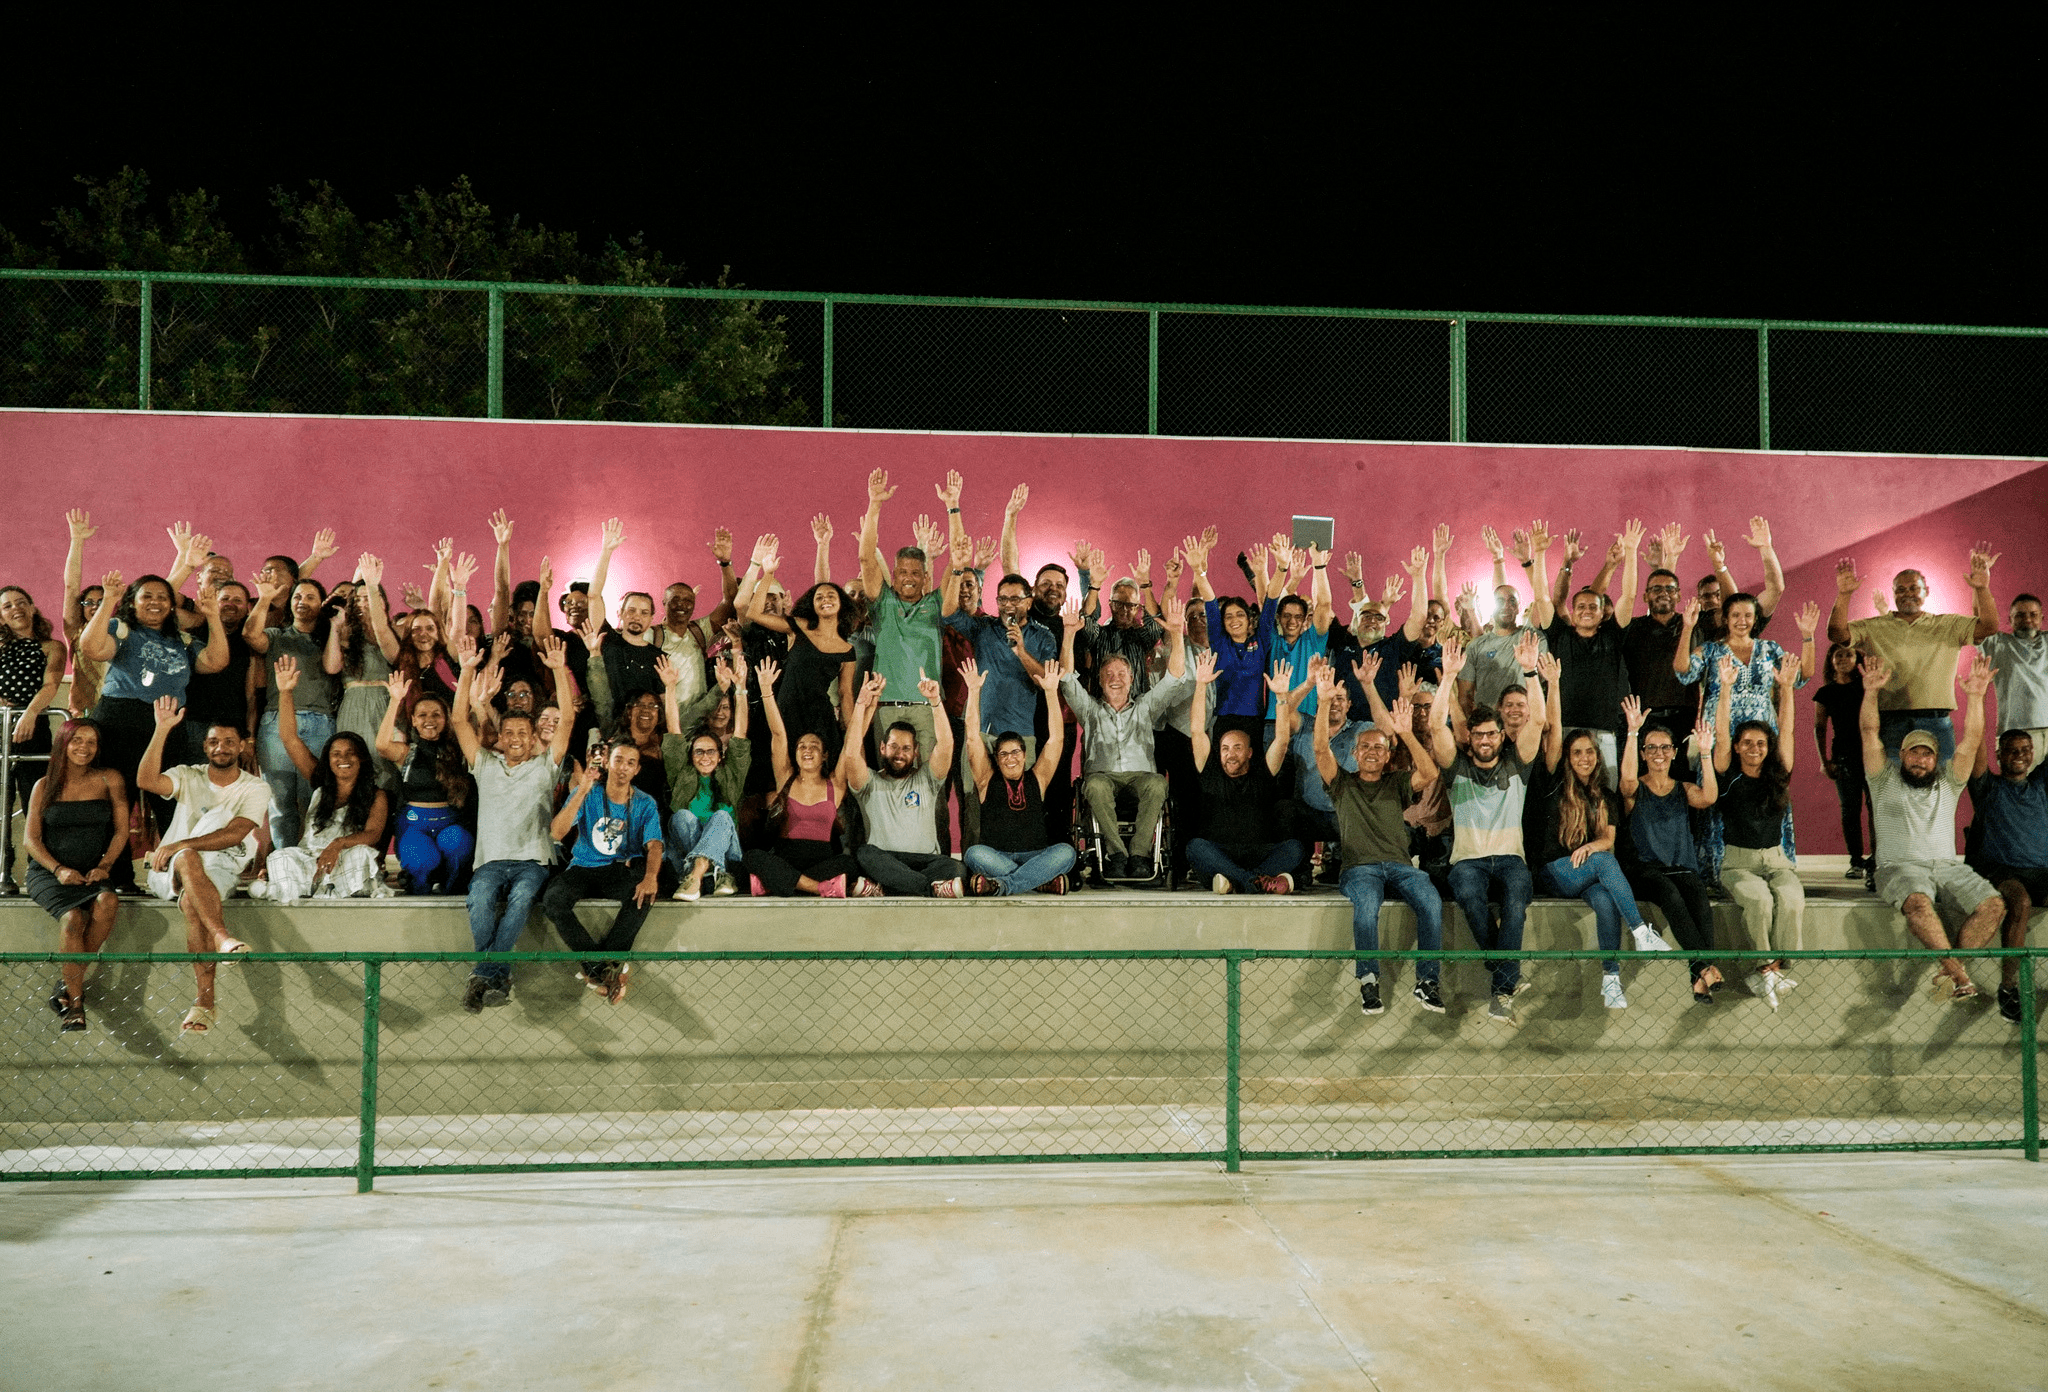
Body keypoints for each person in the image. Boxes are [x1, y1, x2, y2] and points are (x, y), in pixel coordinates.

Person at [1858, 654, 2005, 1002]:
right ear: (1902, 755)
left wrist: (1974, 697)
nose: (1920, 759)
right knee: (1919, 904)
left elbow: (1971, 739)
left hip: (1948, 868)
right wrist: (1870, 693)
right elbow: (1868, 731)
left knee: (1994, 905)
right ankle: (1959, 974)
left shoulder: (1948, 782)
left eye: (1927, 754)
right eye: (1913, 753)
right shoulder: (1882, 778)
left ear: (1935, 758)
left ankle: (1950, 970)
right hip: (1899, 868)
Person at [1530, 664, 1675, 1011]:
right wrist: (1553, 684)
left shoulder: (1605, 795)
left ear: (1597, 757)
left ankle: (1611, 981)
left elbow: (1607, 838)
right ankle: (1641, 933)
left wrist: (1592, 846)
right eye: (1577, 752)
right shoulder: (1554, 786)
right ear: (1568, 757)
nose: (1584, 758)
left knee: (1606, 900)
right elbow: (1551, 734)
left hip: (1588, 871)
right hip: (1554, 872)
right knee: (1603, 861)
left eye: (1590, 752)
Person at [446, 632, 577, 1009]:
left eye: (523, 732)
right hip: (490, 861)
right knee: (480, 899)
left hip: (532, 861)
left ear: (533, 735)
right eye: (509, 733)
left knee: (520, 901)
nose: (516, 738)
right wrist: (468, 671)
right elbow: (459, 718)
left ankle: (483, 975)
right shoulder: (484, 764)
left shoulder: (544, 767)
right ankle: (495, 978)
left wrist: (558, 671)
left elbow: (567, 719)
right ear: (500, 737)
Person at [1429, 631, 1548, 1023]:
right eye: (1478, 734)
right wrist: (1448, 679)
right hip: (1468, 861)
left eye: (1491, 733)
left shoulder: (1518, 764)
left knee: (1516, 904)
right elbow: (1434, 729)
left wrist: (1531, 671)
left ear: (1501, 735)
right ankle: (1505, 980)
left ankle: (1501, 984)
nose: (1484, 740)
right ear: (1470, 737)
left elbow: (1540, 719)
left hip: (1511, 858)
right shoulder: (1456, 768)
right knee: (1468, 896)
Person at [133, 697, 267, 1035]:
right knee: (189, 859)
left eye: (228, 742)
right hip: (169, 870)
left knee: (195, 900)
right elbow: (146, 781)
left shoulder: (256, 787)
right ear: (204, 746)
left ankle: (204, 1002)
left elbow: (236, 833)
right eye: (213, 742)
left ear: (242, 746)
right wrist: (162, 729)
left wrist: (180, 843)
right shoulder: (187, 775)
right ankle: (222, 937)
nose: (220, 748)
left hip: (219, 867)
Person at [1312, 673, 1445, 1015]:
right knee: (1366, 909)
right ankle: (1369, 981)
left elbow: (1429, 773)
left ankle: (1427, 981)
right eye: (1366, 747)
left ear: (1387, 756)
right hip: (1360, 870)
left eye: (1379, 748)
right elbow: (1319, 749)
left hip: (1401, 868)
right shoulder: (1342, 784)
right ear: (1354, 753)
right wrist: (1324, 700)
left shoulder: (1397, 782)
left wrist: (1404, 734)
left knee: (1431, 901)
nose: (1372, 752)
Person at [77, 569, 229, 840]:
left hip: (169, 724)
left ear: (172, 606)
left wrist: (213, 617)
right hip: (120, 721)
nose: (155, 602)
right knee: (118, 800)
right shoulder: (121, 629)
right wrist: (107, 602)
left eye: (162, 597)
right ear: (132, 602)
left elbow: (216, 662)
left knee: (170, 800)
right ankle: (117, 877)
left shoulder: (182, 640)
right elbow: (93, 648)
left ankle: (172, 872)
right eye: (146, 596)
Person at [1059, 594, 1192, 881]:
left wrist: (1177, 634)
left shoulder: (1144, 707)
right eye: (1109, 673)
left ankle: (1139, 854)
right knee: (1093, 785)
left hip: (1140, 778)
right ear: (1100, 679)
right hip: (1103, 777)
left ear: (1132, 679)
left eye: (1122, 672)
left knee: (1158, 784)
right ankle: (1116, 853)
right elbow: (1067, 679)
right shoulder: (1091, 710)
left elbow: (1174, 679)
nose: (1115, 678)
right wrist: (1069, 633)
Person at [1827, 547, 1999, 761]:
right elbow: (1836, 633)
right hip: (1890, 722)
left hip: (1937, 721)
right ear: (1893, 594)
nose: (1907, 593)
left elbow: (1989, 626)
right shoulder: (1874, 627)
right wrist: (1844, 594)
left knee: (1940, 788)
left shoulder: (1949, 624)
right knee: (1889, 789)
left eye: (1913, 588)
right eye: (1900, 590)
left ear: (1926, 591)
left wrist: (1982, 588)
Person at [249, 657, 390, 903]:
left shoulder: (376, 795)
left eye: (350, 753)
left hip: (346, 855)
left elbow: (372, 835)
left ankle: (297, 889)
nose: (343, 759)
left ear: (362, 759)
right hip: (311, 859)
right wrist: (285, 692)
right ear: (328, 759)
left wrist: (338, 845)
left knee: (361, 856)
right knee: (281, 856)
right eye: (336, 754)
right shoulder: (320, 784)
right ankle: (299, 887)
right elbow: (289, 738)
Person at [1712, 652, 1805, 1008]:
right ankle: (1765, 970)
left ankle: (1777, 970)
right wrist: (1725, 690)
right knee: (1760, 901)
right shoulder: (1728, 774)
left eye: (1761, 743)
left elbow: (1789, 729)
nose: (1754, 748)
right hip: (1738, 864)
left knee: (1793, 901)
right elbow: (1721, 731)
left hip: (1778, 861)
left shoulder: (1778, 774)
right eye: (1747, 743)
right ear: (1737, 747)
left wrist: (1786, 689)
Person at [22, 718, 128, 1033]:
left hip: (92, 871)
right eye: (77, 740)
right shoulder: (44, 785)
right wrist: (59, 869)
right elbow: (31, 840)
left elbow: (122, 831)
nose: (84, 748)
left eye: (91, 742)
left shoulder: (110, 779)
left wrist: (106, 866)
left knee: (108, 901)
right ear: (63, 744)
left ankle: (68, 983)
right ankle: (76, 1004)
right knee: (73, 920)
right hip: (48, 873)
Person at [1618, 697, 1725, 1004]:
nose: (1659, 754)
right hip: (1645, 870)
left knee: (1698, 897)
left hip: (1681, 868)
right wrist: (1633, 731)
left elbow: (1709, 797)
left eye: (1665, 748)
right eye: (1651, 748)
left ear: (1675, 753)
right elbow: (1625, 780)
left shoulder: (1682, 788)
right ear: (1643, 754)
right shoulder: (1636, 788)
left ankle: (1699, 977)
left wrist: (1705, 753)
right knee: (1670, 894)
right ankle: (1706, 966)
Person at [542, 742, 664, 1004]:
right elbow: (556, 832)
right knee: (553, 900)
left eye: (630, 763)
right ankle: (601, 967)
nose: (623, 767)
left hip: (617, 869)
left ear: (637, 769)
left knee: (643, 895)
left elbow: (655, 846)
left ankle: (603, 967)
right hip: (583, 867)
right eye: (618, 760)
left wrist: (650, 877)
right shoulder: (589, 792)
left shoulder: (644, 802)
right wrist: (583, 788)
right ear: (608, 763)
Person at [741, 656, 861, 897]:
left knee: (850, 864)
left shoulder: (835, 785)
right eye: (801, 746)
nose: (807, 750)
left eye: (814, 746)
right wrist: (766, 691)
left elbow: (850, 746)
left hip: (822, 861)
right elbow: (777, 734)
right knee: (753, 857)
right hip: (787, 858)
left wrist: (863, 705)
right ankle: (817, 888)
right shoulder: (786, 778)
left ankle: (777, 884)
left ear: (825, 755)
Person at [1529, 519, 1642, 770]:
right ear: (1573, 610)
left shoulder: (1612, 636)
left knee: (1604, 799)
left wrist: (1631, 552)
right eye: (1581, 606)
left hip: (1605, 731)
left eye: (1593, 607)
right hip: (1564, 729)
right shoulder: (1560, 634)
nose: (1587, 611)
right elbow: (1541, 597)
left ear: (1603, 614)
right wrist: (1539, 553)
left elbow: (1630, 596)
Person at [842, 669, 966, 897]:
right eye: (894, 746)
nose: (899, 753)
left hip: (926, 861)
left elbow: (946, 746)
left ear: (916, 752)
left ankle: (886, 888)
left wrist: (936, 702)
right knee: (865, 854)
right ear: (882, 748)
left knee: (955, 867)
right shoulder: (869, 782)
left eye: (906, 748)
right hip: (884, 858)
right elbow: (850, 754)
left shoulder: (927, 779)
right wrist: (861, 704)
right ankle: (929, 889)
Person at [959, 657, 1076, 896]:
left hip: (1035, 855)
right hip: (997, 857)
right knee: (973, 854)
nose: (1010, 758)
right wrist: (973, 691)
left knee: (1067, 852)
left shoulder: (1038, 778)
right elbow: (972, 738)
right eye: (1003, 754)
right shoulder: (985, 780)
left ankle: (1006, 885)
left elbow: (1056, 740)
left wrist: (1051, 692)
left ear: (1024, 755)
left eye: (1015, 752)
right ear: (997, 758)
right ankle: (1038, 881)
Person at [1186, 658, 1303, 894]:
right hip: (1221, 852)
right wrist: (1200, 685)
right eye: (1225, 749)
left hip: (1259, 852)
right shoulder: (1211, 773)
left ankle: (1234, 881)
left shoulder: (1262, 773)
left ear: (1249, 753)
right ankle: (1257, 882)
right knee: (1195, 847)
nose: (1230, 754)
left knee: (1295, 848)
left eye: (1237, 748)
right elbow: (1197, 730)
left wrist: (1281, 697)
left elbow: (1281, 740)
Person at [244, 573, 338, 850]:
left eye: (310, 597)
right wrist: (264, 599)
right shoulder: (277, 636)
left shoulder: (328, 639)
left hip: (321, 723)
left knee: (316, 798)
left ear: (321, 603)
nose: (302, 601)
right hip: (276, 723)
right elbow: (250, 634)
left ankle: (312, 859)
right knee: (281, 801)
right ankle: (285, 860)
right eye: (297, 596)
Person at [1967, 726, 2048, 1023]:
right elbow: (1976, 745)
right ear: (1999, 756)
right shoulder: (1988, 787)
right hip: (2003, 871)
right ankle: (2009, 986)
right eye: (2012, 750)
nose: (2019, 755)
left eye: (2025, 750)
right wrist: (1978, 697)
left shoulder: (2040, 784)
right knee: (2021, 902)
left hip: (2042, 871)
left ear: (2033, 754)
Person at [661, 653, 753, 901]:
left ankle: (697, 875)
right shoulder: (682, 774)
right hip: (696, 858)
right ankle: (712, 870)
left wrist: (741, 688)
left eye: (710, 751)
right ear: (690, 756)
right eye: (698, 751)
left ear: (721, 755)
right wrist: (670, 688)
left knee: (722, 816)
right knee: (682, 816)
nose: (705, 757)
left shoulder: (731, 774)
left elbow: (741, 734)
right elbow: (674, 731)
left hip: (723, 858)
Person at [374, 672, 475, 894]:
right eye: (422, 715)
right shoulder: (406, 752)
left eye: (436, 714)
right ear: (413, 720)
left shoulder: (458, 751)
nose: (429, 720)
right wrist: (395, 700)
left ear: (445, 719)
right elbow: (381, 745)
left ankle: (452, 889)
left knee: (458, 844)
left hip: (449, 822)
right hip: (414, 823)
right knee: (421, 861)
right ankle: (419, 892)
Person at [328, 554, 402, 790]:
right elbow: (331, 667)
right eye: (357, 599)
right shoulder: (346, 633)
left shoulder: (393, 631)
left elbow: (380, 630)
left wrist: (370, 584)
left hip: (384, 704)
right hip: (352, 705)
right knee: (354, 766)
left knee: (386, 769)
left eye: (369, 598)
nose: (363, 602)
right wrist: (335, 628)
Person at [0, 586, 66, 818]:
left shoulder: (52, 647)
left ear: (32, 608)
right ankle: (4, 854)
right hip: (1, 722)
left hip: (33, 726)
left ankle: (35, 854)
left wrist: (29, 714)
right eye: (7, 606)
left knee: (35, 799)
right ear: (1, 616)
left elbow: (50, 685)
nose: (15, 608)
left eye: (21, 602)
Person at [1811, 642, 1874, 877]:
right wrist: (1824, 760)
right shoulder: (1826, 692)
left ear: (1856, 660)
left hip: (1871, 755)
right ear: (1831, 660)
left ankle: (1876, 861)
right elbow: (1819, 727)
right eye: (1838, 655)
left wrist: (1865, 653)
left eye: (1849, 655)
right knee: (1850, 811)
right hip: (1844, 757)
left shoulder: (1865, 686)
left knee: (1875, 809)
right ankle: (1856, 861)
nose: (1843, 659)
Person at [1978, 593, 2047, 773]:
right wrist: (1980, 588)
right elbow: (1979, 621)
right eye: (2020, 615)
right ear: (2010, 619)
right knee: (2019, 796)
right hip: (2016, 737)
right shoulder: (1998, 644)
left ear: (2042, 617)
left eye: (2033, 614)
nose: (2027, 619)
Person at [59, 510, 107, 716]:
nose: (95, 606)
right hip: (83, 714)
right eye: (89, 602)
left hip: (114, 714)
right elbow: (71, 587)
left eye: (101, 602)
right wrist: (77, 540)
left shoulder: (121, 634)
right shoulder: (76, 632)